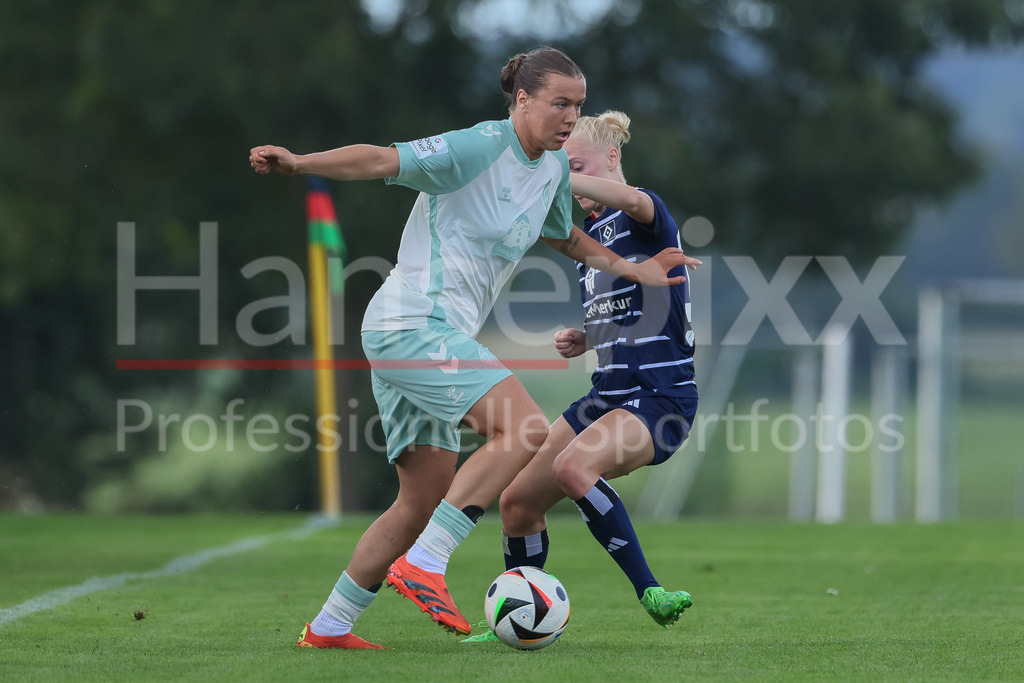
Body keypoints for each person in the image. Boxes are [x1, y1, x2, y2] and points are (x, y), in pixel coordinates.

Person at [249, 49, 701, 649]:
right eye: (559, 103)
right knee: (524, 431)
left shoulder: (546, 174)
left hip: (429, 334)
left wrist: (635, 272)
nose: (570, 116)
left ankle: (331, 625)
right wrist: (300, 162)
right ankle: (426, 565)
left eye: (578, 106)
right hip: (413, 321)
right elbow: (385, 158)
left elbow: (568, 240)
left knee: (421, 497)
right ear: (523, 100)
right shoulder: (480, 147)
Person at [462, 110, 698, 643]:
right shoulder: (589, 238)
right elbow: (634, 310)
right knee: (517, 503)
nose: (569, 179)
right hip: (606, 396)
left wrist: (552, 173)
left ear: (612, 158)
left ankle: (650, 591)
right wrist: (586, 336)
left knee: (573, 469)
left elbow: (635, 200)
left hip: (659, 402)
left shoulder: (644, 213)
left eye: (577, 166)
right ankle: (519, 616)